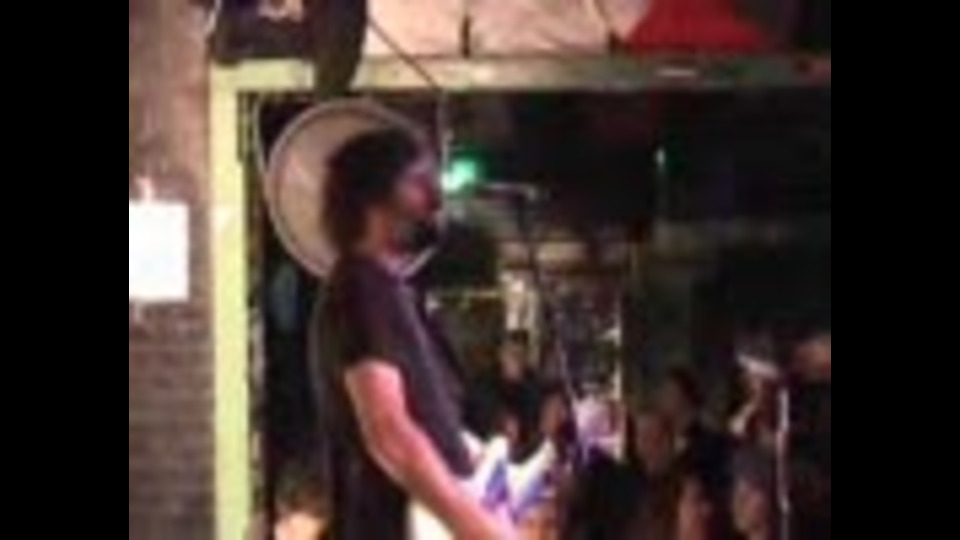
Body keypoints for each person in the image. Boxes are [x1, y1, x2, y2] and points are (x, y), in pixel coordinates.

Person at [312, 128, 514, 539]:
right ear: (373, 199)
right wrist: (478, 528)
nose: (435, 199)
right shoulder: (362, 288)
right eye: (419, 182)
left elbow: (427, 423)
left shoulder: (392, 294)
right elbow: (389, 431)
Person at [657, 367, 733, 498]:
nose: (661, 400)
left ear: (683, 397)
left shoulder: (710, 445)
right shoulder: (665, 442)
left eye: (668, 393)